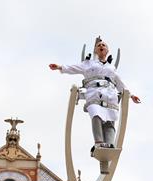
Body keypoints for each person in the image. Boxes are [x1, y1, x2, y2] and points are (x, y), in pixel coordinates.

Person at [49, 40, 141, 174]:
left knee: (110, 122)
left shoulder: (111, 68)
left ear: (107, 50)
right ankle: (99, 142)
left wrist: (131, 95)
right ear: (96, 51)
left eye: (104, 45)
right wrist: (59, 67)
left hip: (110, 95)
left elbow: (120, 83)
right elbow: (73, 67)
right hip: (94, 94)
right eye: (99, 45)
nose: (101, 46)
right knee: (96, 115)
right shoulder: (88, 64)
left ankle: (109, 146)